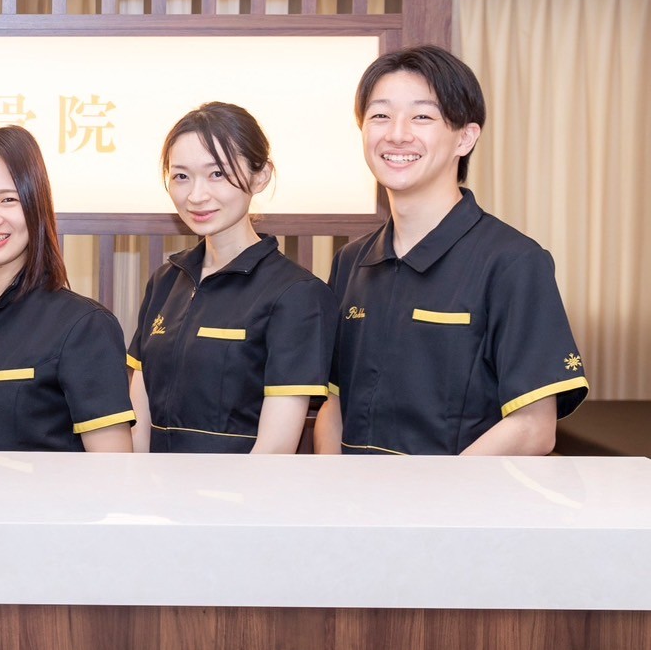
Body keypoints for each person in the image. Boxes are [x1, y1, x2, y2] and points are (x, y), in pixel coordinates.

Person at [315, 45, 588, 456]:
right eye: (380, 116)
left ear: (465, 137)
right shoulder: (351, 262)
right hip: (353, 496)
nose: (397, 134)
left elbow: (533, 427)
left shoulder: (513, 262)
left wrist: (437, 490)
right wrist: (332, 484)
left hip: (459, 496)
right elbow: (335, 403)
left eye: (422, 117)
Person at [0, 126, 133, 502]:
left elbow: (114, 479)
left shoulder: (83, 327)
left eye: (9, 199)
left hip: (45, 535)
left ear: (36, 207)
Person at [127, 103, 334, 454]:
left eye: (217, 174)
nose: (196, 196)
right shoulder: (165, 281)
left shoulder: (296, 294)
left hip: (242, 488)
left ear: (260, 176)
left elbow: (275, 449)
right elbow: (139, 419)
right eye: (181, 176)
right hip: (156, 488)